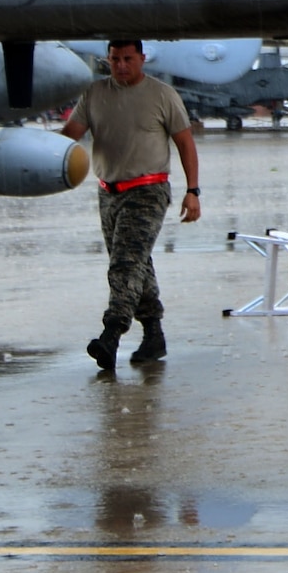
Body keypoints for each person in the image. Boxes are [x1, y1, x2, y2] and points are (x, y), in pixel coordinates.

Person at [59, 40, 200, 370]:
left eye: (127, 59)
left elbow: (185, 143)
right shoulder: (94, 94)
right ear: (107, 59)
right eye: (114, 59)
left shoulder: (162, 95)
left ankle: (111, 334)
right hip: (108, 192)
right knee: (137, 264)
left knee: (124, 263)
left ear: (141, 59)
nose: (121, 65)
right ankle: (154, 333)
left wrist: (193, 190)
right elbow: (70, 135)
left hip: (148, 191)